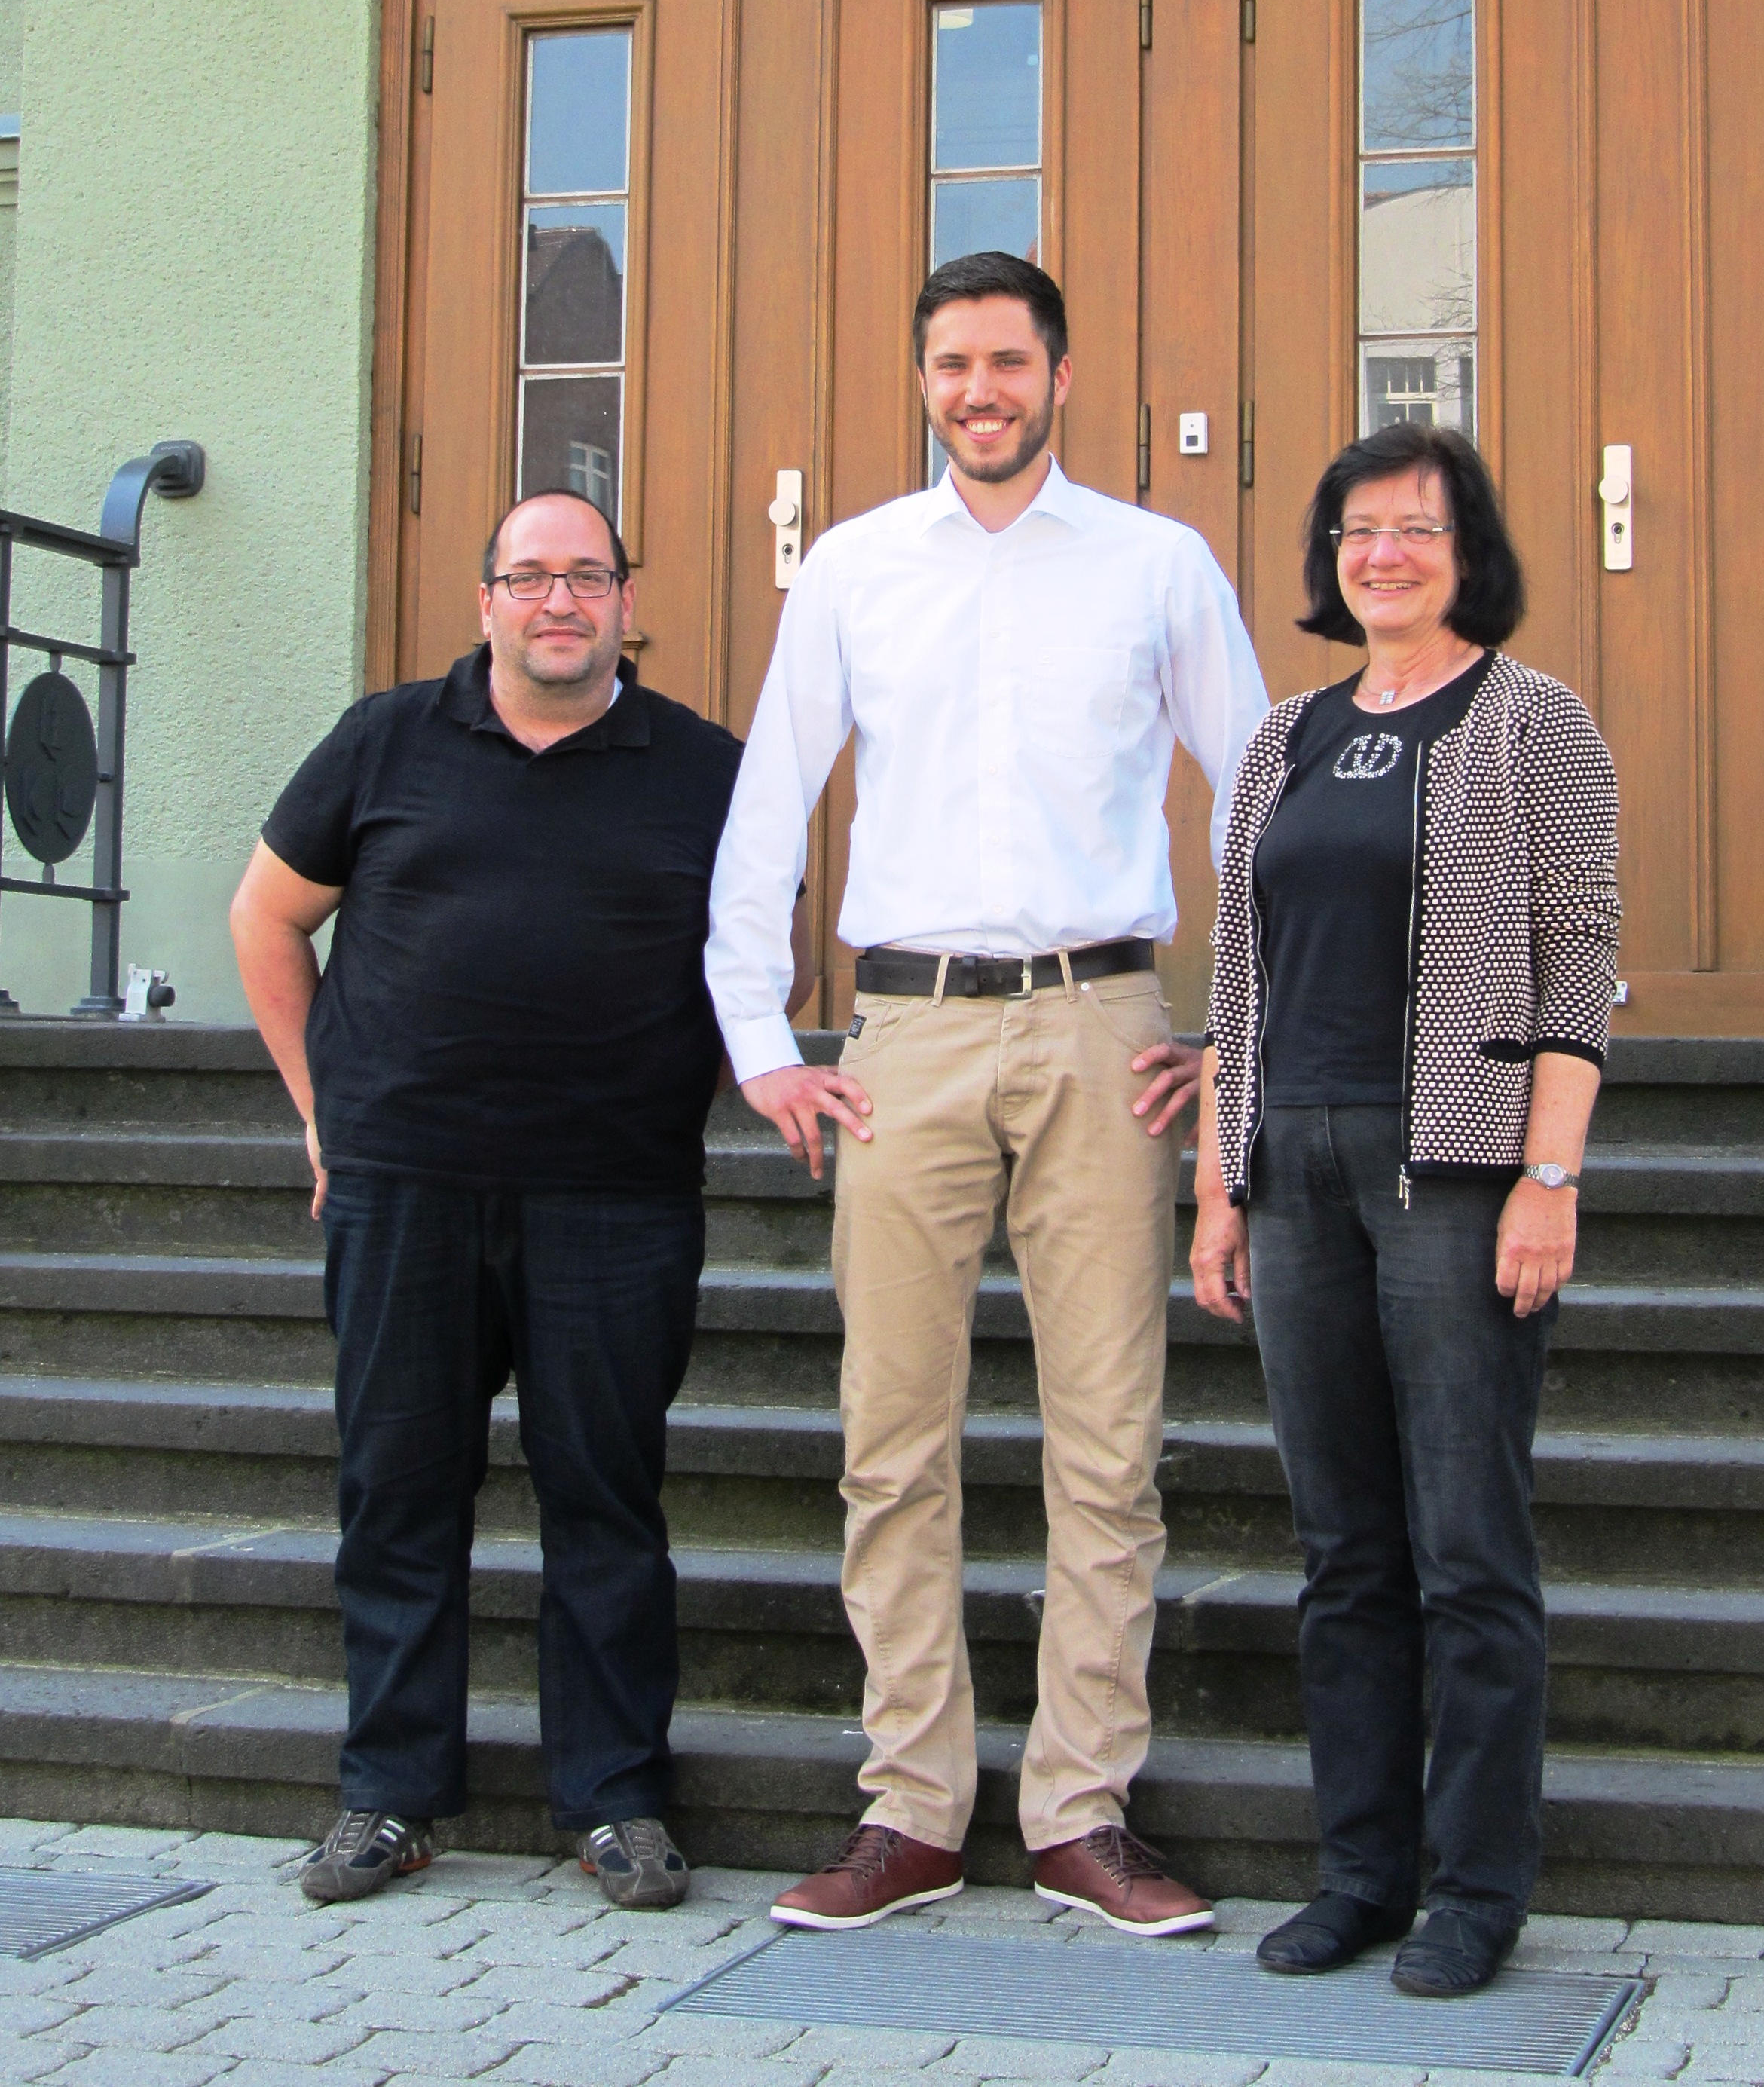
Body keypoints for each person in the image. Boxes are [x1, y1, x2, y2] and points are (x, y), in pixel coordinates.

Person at [706, 252, 1270, 1937]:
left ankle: (1084, 1809)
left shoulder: (1161, 566)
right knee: (895, 1440)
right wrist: (761, 1040)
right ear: (925, 377)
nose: (980, 391)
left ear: (1062, 375)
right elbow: (766, 805)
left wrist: (1232, 1035)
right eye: (951, 363)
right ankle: (915, 1809)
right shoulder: (860, 571)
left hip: (1107, 1028)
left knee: (1110, 1442)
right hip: (908, 1042)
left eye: (1008, 362)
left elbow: (1258, 805)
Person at [230, 490, 801, 1910]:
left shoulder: (709, 770)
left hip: (615, 1194)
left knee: (605, 1500)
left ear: (625, 599)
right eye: (531, 577)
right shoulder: (384, 740)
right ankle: (390, 1793)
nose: (560, 601)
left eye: (588, 576)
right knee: (398, 1494)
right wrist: (322, 1109)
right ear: (485, 599)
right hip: (405, 1184)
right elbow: (267, 914)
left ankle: (613, 1800)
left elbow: (755, 963)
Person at [1190, 422, 1619, 2000]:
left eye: (1417, 528)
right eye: (1359, 529)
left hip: (1455, 1167)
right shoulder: (1282, 734)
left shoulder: (1532, 722)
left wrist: (1549, 1177)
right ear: (1329, 557)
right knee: (1342, 1549)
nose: (1385, 553)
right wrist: (1219, 1182)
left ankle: (1476, 1887)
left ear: (1469, 550)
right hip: (1292, 1163)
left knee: (1466, 1545)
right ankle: (1360, 1870)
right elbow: (1240, 974)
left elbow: (1581, 964)